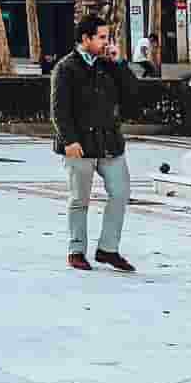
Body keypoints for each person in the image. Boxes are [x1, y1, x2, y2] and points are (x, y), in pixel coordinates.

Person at [50, 14, 140, 273]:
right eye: (101, 37)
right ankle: (76, 250)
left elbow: (133, 93)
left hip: (110, 143)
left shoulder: (108, 65)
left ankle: (108, 249)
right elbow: (59, 110)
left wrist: (120, 63)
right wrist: (69, 140)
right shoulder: (66, 68)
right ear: (85, 39)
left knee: (120, 193)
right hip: (79, 144)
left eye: (107, 37)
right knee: (80, 199)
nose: (106, 42)